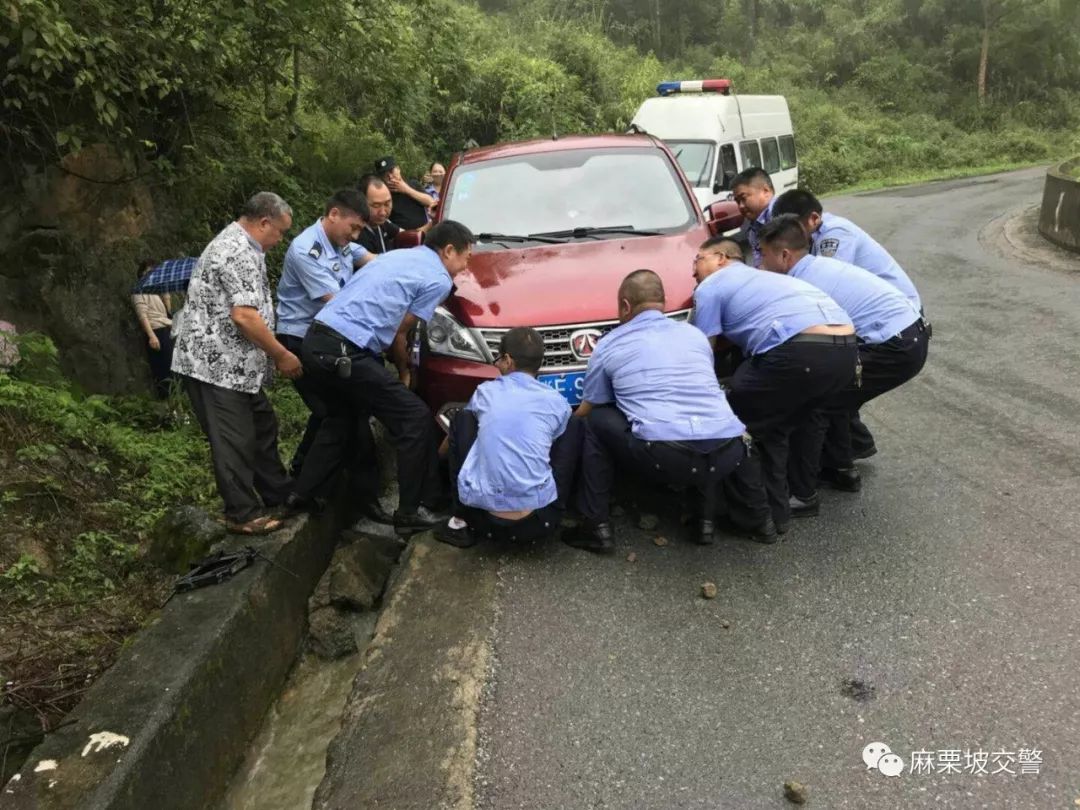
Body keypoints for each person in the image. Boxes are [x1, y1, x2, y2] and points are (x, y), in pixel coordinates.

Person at [301, 220, 475, 536]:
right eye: (466, 258)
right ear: (449, 250)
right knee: (413, 416)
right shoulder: (437, 278)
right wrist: (406, 372)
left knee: (342, 418)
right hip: (345, 350)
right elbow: (401, 331)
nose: (465, 267)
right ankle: (410, 511)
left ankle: (301, 495)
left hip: (315, 341)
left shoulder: (396, 257)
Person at [566, 269, 754, 553]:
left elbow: (590, 406)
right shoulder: (695, 336)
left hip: (665, 455)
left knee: (595, 421)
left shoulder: (609, 344)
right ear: (662, 302)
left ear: (625, 306)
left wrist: (561, 426)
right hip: (728, 451)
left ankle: (595, 525)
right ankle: (703, 521)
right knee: (700, 417)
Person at [758, 215, 929, 515]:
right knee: (835, 393)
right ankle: (841, 469)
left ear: (784, 256)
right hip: (906, 336)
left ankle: (802, 494)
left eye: (763, 254)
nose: (760, 263)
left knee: (814, 402)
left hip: (893, 343)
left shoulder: (803, 284)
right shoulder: (815, 266)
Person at [691, 237, 858, 533]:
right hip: (845, 348)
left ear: (720, 258)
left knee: (743, 422)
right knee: (796, 421)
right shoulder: (768, 279)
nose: (693, 270)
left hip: (798, 349)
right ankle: (799, 499)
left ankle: (757, 517)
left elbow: (702, 352)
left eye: (698, 259)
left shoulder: (711, 286)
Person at [171, 192, 301, 535]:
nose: (280, 240)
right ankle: (241, 513)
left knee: (262, 425)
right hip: (214, 366)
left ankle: (277, 491)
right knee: (235, 439)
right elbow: (244, 316)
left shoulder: (245, 248)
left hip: (237, 367)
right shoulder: (236, 251)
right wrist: (281, 354)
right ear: (264, 223)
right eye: (281, 232)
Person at [771, 187, 927, 461]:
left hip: (893, 319)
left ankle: (823, 471)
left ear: (813, 219)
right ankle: (849, 453)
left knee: (825, 393)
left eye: (791, 227)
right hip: (880, 319)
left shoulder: (835, 235)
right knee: (838, 386)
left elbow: (825, 294)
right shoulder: (813, 238)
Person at [275, 189, 388, 522]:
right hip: (300, 341)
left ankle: (304, 478)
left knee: (335, 413)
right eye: (352, 227)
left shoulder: (342, 244)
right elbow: (338, 304)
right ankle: (309, 491)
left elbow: (374, 262)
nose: (353, 237)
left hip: (329, 341)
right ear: (334, 214)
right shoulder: (306, 250)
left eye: (358, 232)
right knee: (342, 414)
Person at [436, 327, 582, 549]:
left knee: (463, 418)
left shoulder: (485, 392)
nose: (497, 365)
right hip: (541, 522)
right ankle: (572, 508)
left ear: (507, 360)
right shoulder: (557, 401)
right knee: (572, 424)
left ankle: (459, 521)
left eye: (498, 359)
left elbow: (459, 438)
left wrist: (437, 459)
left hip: (481, 519)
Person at [132, 259, 174, 398]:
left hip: (166, 328)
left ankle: (177, 403)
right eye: (149, 272)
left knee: (172, 368)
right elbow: (142, 315)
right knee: (163, 371)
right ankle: (169, 404)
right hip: (156, 332)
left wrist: (166, 295)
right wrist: (152, 336)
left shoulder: (155, 290)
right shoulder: (139, 290)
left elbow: (168, 313)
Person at [374, 156, 435, 231]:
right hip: (402, 237)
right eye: (385, 175)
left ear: (398, 169)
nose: (390, 177)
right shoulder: (383, 196)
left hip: (426, 234)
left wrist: (406, 189)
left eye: (391, 171)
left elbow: (431, 202)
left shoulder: (413, 184)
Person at [732, 167, 776, 267]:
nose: (741, 206)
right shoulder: (754, 228)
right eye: (737, 201)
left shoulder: (782, 216)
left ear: (766, 191)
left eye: (743, 198)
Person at [356, 174, 402, 255]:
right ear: (361, 203)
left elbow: (409, 235)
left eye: (387, 204)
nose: (383, 212)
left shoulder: (383, 223)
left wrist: (431, 223)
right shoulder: (356, 233)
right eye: (376, 206)